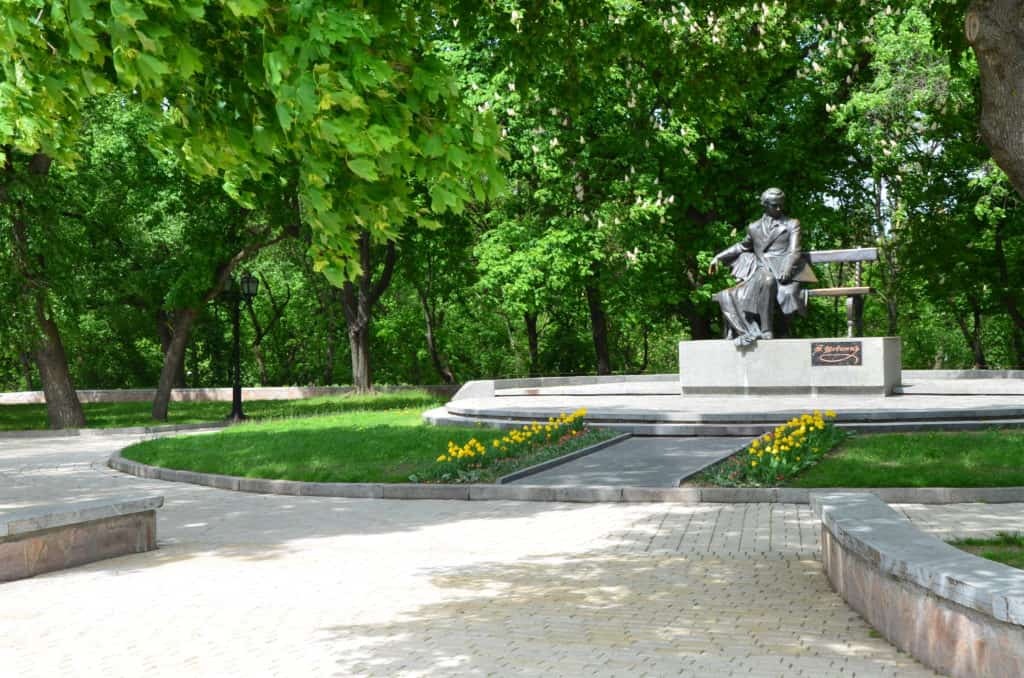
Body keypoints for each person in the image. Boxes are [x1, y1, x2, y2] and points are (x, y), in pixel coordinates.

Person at [707, 188, 812, 346]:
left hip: (786, 271)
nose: (779, 208)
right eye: (774, 205)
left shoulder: (791, 224)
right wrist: (718, 257)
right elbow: (741, 246)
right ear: (765, 205)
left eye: (781, 205)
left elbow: (794, 251)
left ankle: (778, 331)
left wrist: (787, 268)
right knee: (766, 280)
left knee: (786, 292)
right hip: (762, 271)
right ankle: (765, 330)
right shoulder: (754, 227)